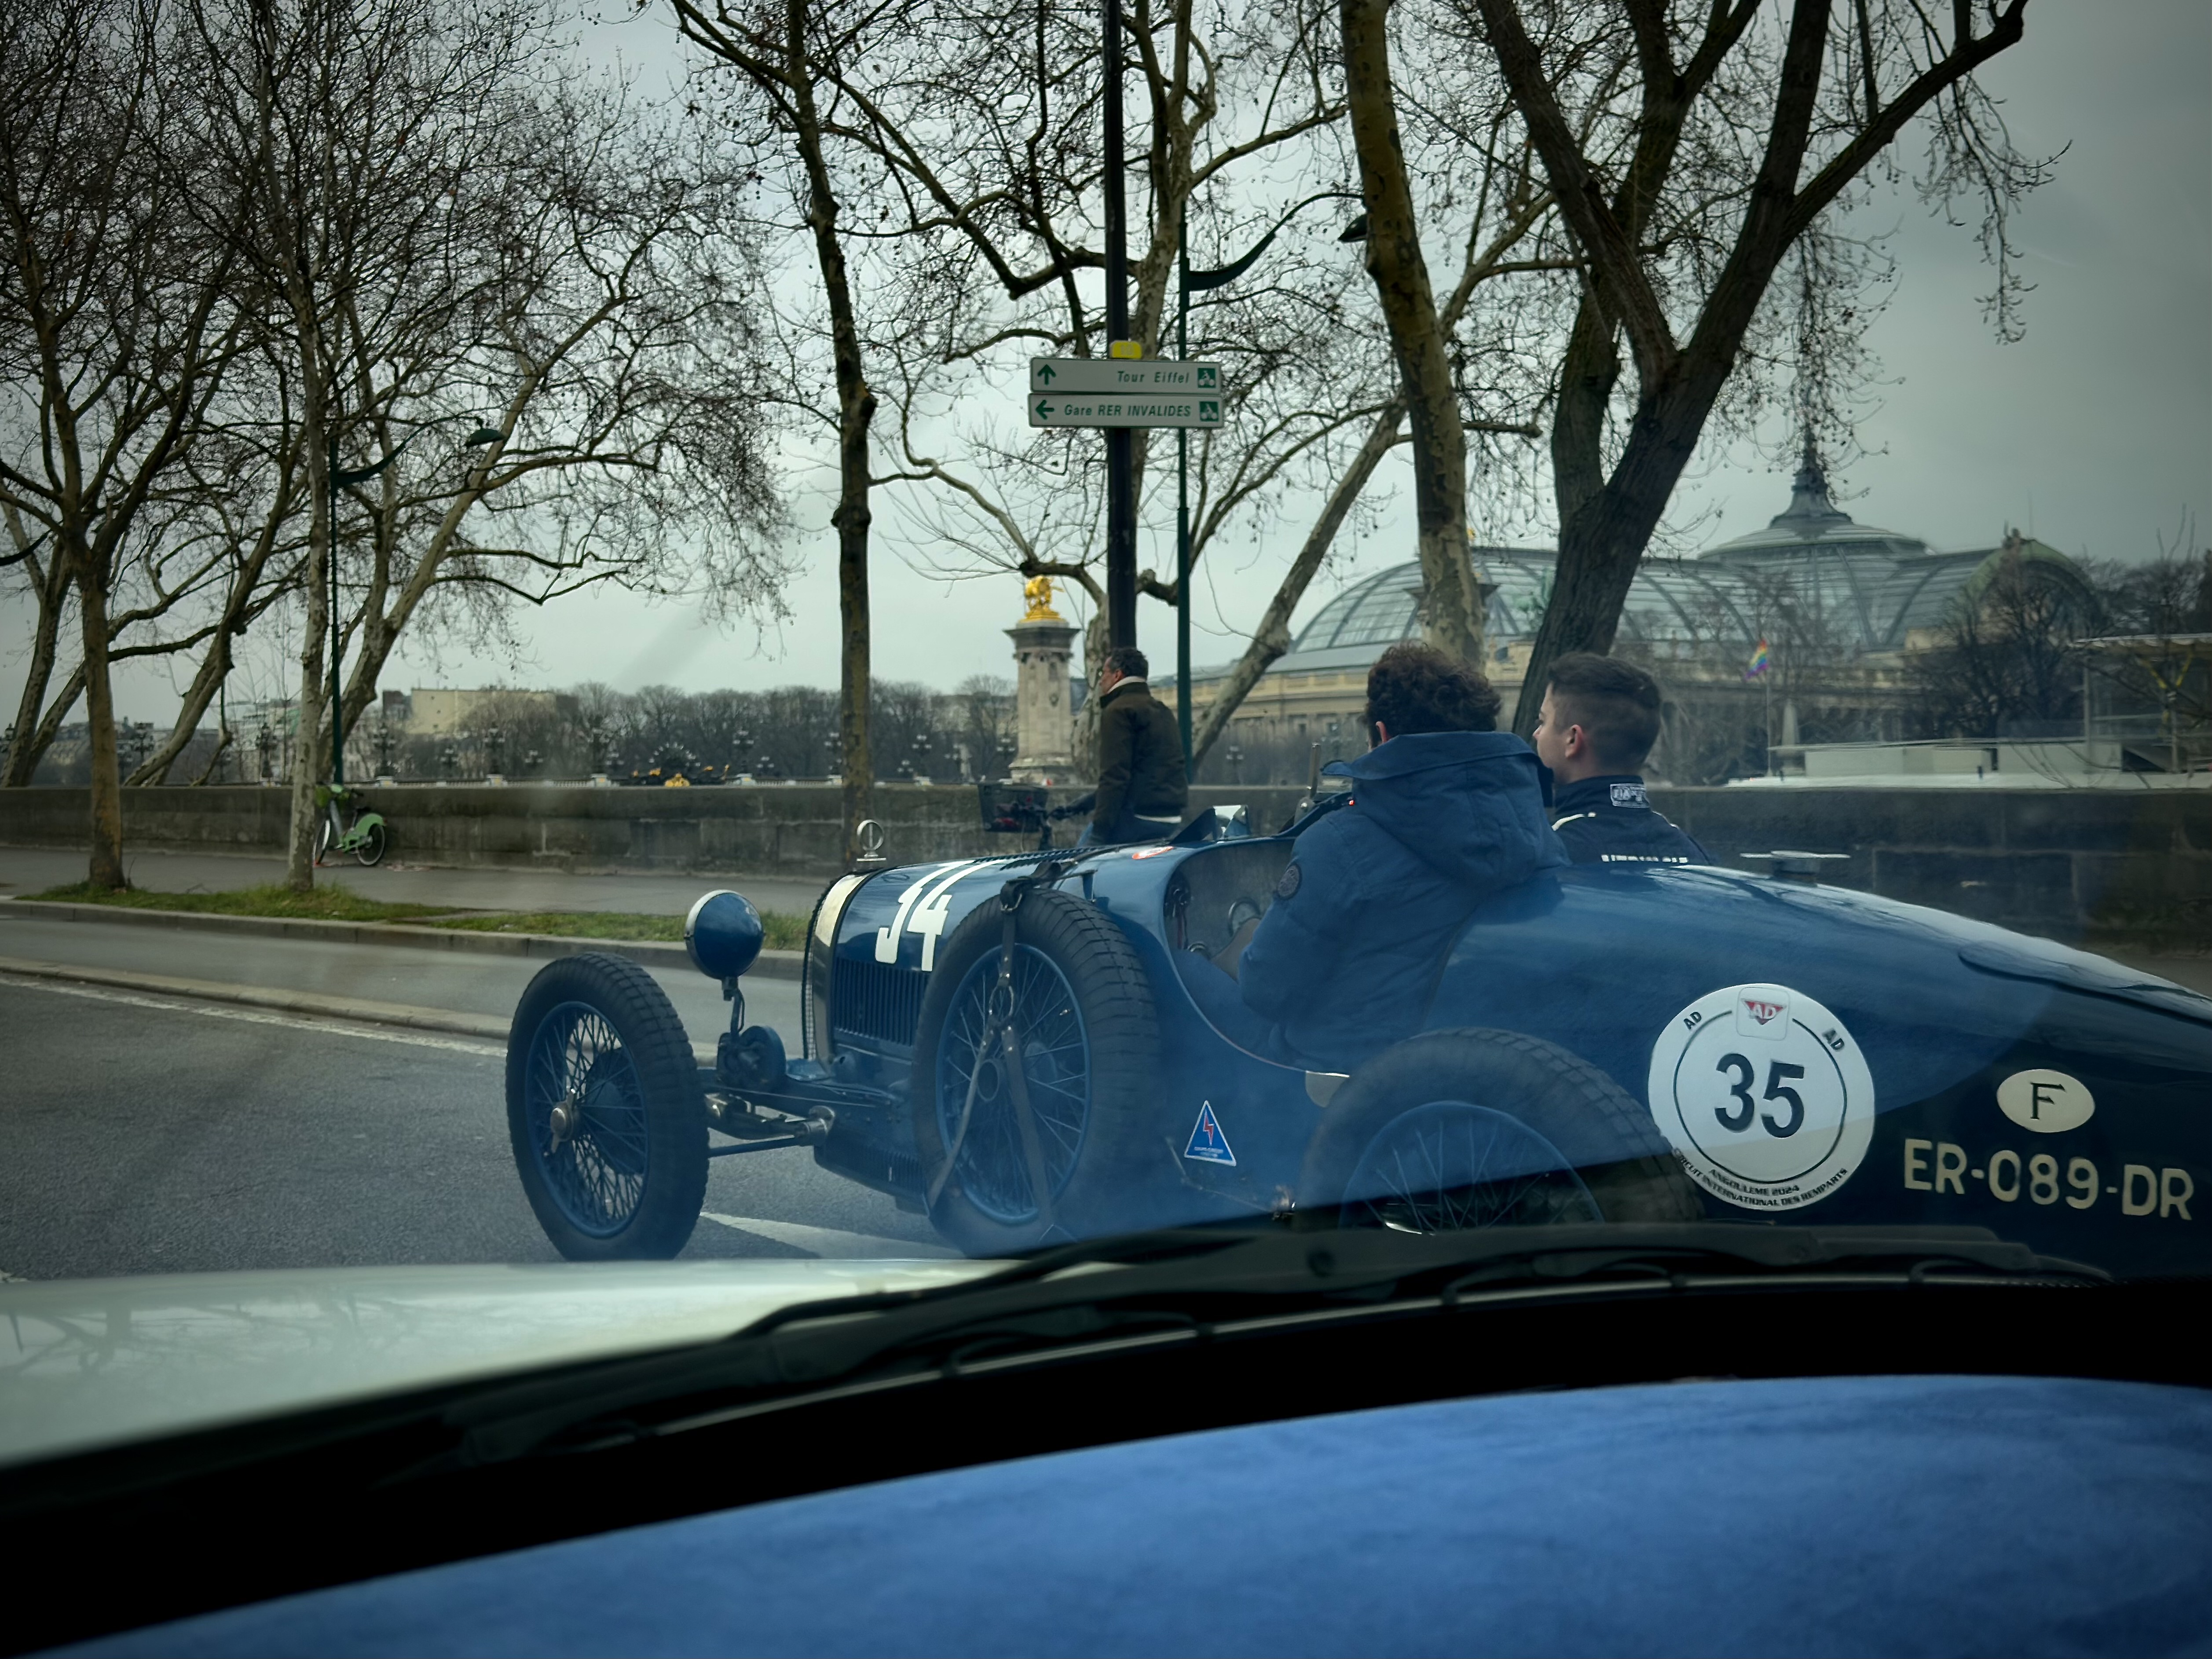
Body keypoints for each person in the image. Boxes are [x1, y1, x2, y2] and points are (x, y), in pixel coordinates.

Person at [1212, 642, 1567, 1071]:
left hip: (1334, 1076)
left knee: (1189, 976)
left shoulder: (1339, 844)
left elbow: (1266, 989)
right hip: (1484, 1072)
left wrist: (1246, 937)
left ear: (1381, 736)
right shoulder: (1541, 840)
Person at [1531, 653, 1709, 866]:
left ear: (1573, 740)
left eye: (1543, 722)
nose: (1537, 734)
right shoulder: (1692, 851)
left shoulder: (1546, 853)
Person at [1070, 646, 1188, 845]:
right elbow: (1147, 770)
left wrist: (1100, 830)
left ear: (1117, 675)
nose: (1101, 681)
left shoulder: (1118, 711)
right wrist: (1092, 800)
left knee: (1080, 858)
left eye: (1103, 673)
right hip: (1170, 817)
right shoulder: (1161, 710)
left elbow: (1115, 776)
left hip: (1138, 815)